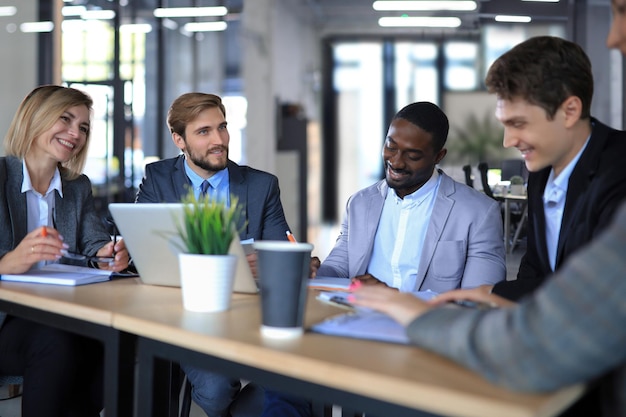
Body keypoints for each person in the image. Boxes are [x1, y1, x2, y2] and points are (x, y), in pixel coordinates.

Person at [350, 199, 626, 417]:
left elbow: (534, 348)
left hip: (451, 350)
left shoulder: (477, 209)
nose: (507, 141)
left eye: (517, 123)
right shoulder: (361, 201)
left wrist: (422, 315)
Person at [136, 92, 291, 417]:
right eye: (204, 132)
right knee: (217, 390)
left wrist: (268, 265)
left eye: (222, 127)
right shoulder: (158, 178)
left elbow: (281, 257)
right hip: (179, 315)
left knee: (297, 376)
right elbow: (143, 255)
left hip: (246, 314)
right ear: (179, 139)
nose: (219, 139)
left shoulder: (262, 186)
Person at [0, 85, 130, 417]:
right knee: (57, 342)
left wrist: (109, 255)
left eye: (83, 127)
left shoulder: (76, 187)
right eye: (66, 119)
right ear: (35, 118)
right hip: (8, 321)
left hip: (60, 314)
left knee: (111, 341)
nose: (75, 133)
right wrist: (8, 262)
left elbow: (93, 246)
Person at [478, 35, 626, 301]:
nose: (508, 141)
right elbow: (534, 272)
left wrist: (491, 292)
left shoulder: (619, 171)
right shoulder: (541, 172)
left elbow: (597, 293)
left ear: (569, 111)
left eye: (519, 124)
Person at [314, 101, 506, 293]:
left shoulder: (479, 213)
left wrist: (395, 301)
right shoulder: (359, 204)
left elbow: (479, 302)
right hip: (359, 318)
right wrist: (313, 273)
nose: (396, 162)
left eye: (412, 156)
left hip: (429, 322)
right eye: (391, 147)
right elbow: (339, 269)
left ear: (438, 156)